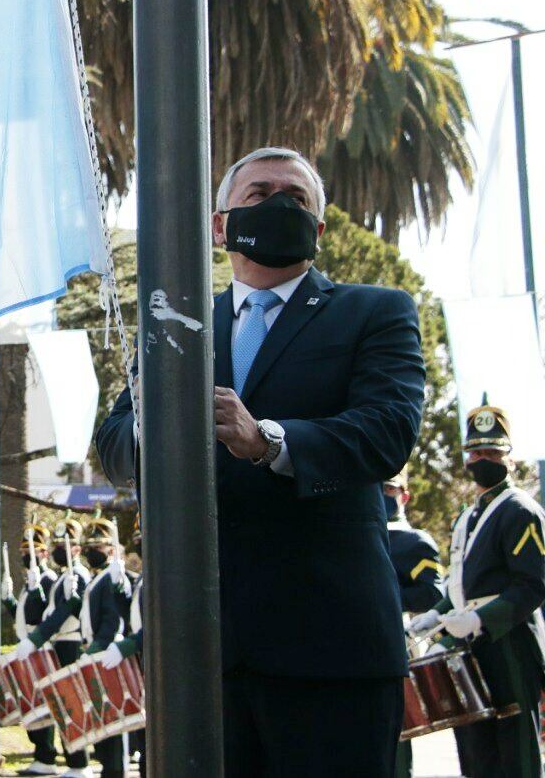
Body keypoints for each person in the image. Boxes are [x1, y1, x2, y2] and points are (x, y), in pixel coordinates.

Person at [96, 146, 425, 777]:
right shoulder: (175, 324)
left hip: (329, 655)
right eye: (259, 193)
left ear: (319, 231)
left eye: (295, 198)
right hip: (199, 658)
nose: (278, 206)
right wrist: (154, 431)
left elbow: (388, 431)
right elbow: (112, 444)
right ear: (219, 226)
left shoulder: (374, 312)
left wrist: (267, 440)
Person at [408, 399, 545, 777]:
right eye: (474, 451)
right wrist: (436, 612)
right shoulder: (468, 516)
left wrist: (479, 620)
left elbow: (532, 585)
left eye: (490, 451)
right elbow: (460, 583)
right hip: (472, 649)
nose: (480, 459)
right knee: (477, 753)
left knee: (514, 752)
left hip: (510, 644)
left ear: (507, 458)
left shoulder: (520, 511)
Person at [15, 519, 92, 778]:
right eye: (58, 543)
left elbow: (65, 612)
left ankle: (79, 763)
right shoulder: (63, 577)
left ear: (77, 550)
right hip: (59, 644)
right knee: (60, 704)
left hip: (70, 644)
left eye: (65, 545)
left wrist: (36, 639)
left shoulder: (77, 575)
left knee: (71, 703)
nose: (60, 548)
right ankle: (63, 760)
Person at [382, 467, 442, 778]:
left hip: (391, 646)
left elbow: (432, 593)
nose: (382, 494)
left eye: (390, 489)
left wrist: (382, 596)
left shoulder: (413, 541)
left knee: (393, 750)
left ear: (404, 495)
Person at [0, 524, 59, 776]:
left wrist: (37, 591)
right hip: (27, 647)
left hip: (41, 647)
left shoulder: (48, 579)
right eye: (25, 552)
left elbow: (44, 615)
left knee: (42, 704)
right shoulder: (31, 580)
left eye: (33, 551)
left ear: (44, 554)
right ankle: (39, 754)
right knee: (31, 703)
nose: (27, 556)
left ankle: (46, 755)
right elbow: (23, 618)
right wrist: (10, 600)